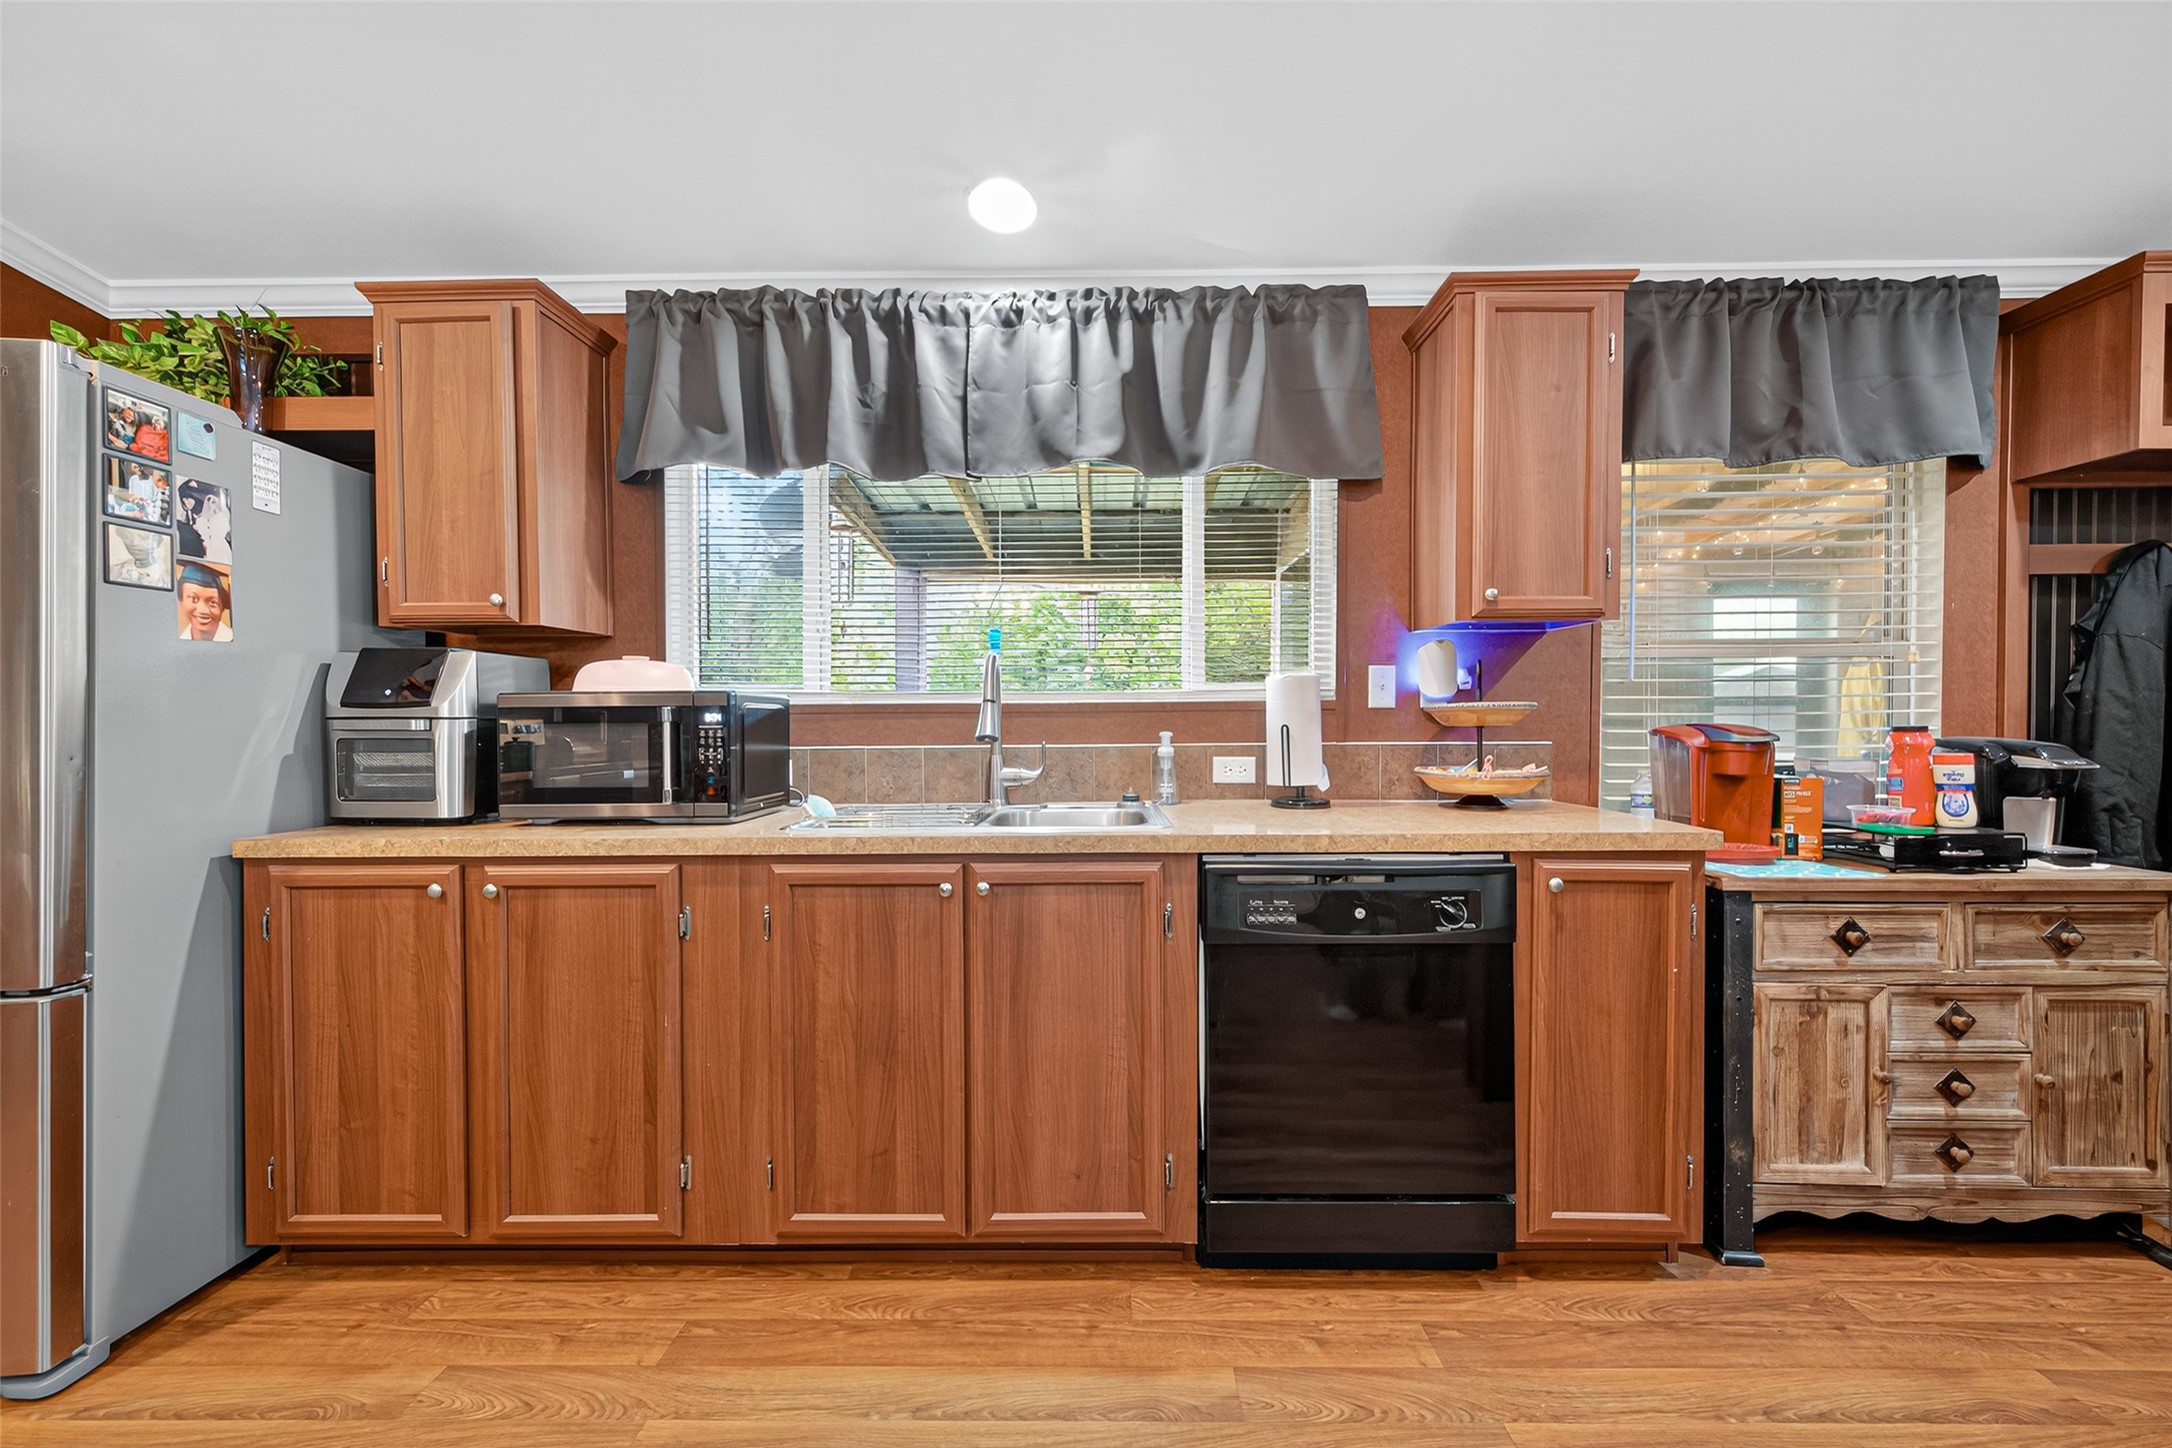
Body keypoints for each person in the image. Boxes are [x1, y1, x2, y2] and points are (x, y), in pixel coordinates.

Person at [177, 562, 232, 642]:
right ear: (182, 600)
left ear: (222, 607)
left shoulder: (232, 639)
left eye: (212, 603)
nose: (203, 610)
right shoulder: (180, 639)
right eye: (194, 599)